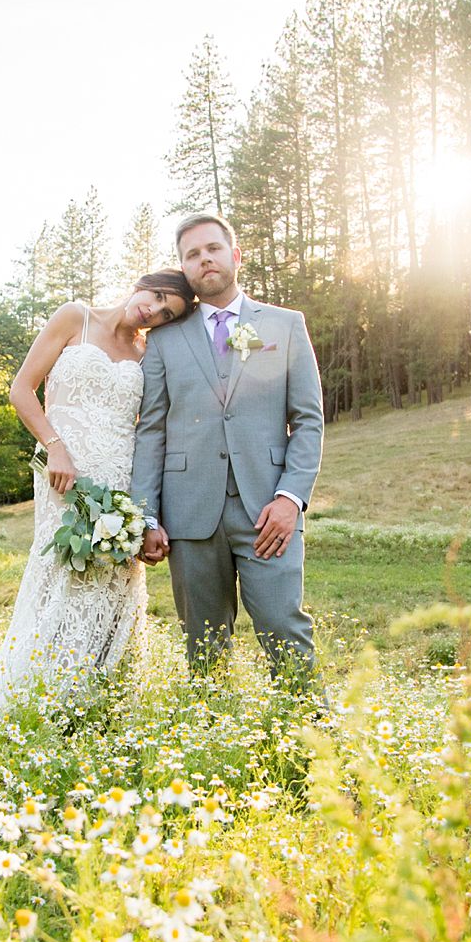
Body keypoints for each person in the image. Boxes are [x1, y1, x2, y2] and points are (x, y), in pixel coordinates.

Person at [0, 271, 198, 735]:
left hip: (118, 476)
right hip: (64, 473)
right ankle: (42, 690)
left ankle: (98, 701)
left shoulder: (148, 353)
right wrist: (54, 446)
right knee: (65, 568)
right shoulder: (76, 317)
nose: (154, 309)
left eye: (166, 311)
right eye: (156, 296)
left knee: (113, 576)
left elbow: (152, 426)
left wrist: (149, 510)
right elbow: (21, 390)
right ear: (140, 284)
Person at [131, 212, 327, 703]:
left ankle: (320, 750)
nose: (204, 260)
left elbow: (307, 420)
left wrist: (291, 499)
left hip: (268, 511)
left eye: (213, 249)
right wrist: (146, 515)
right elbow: (151, 430)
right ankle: (211, 749)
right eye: (192, 255)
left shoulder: (285, 325)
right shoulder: (164, 340)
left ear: (234, 256)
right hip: (190, 514)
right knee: (203, 648)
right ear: (184, 268)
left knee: (286, 630)